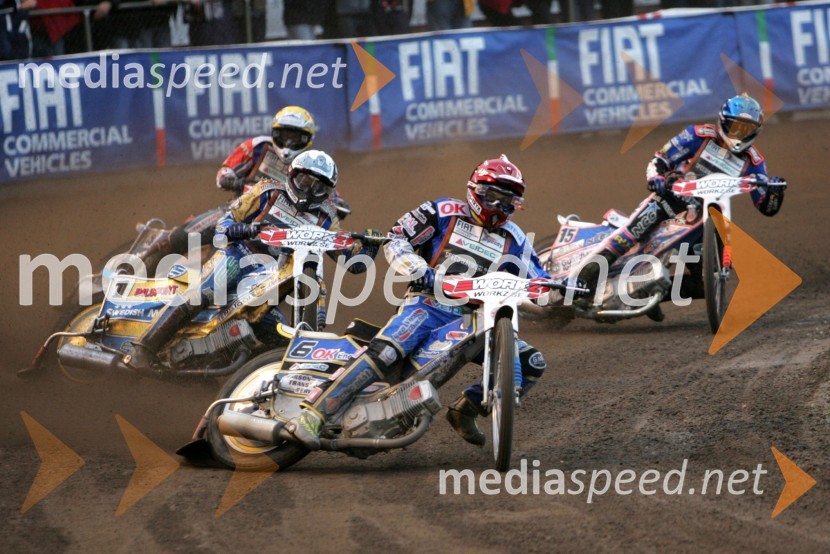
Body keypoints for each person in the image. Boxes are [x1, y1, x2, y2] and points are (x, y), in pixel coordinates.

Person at [286, 154, 551, 450]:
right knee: (385, 352)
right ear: (475, 191)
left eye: (507, 202)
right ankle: (314, 413)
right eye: (492, 197)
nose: (498, 208)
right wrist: (418, 270)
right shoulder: (443, 210)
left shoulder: (515, 236)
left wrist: (563, 287)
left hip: (479, 315)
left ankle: (466, 408)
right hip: (429, 303)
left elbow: (542, 277)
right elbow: (397, 237)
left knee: (532, 363)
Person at [125, 150, 379, 370]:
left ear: (327, 192)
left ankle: (243, 374)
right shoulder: (266, 191)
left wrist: (370, 246)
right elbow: (225, 222)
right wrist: (242, 230)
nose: (310, 190)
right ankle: (143, 349)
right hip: (240, 255)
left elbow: (354, 263)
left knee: (278, 334)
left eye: (319, 187)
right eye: (305, 180)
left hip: (272, 275)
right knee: (205, 291)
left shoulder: (327, 219)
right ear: (292, 175)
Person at [577, 93, 787, 310]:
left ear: (755, 131)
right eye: (735, 127)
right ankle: (581, 277)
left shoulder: (754, 161)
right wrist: (656, 177)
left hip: (706, 220)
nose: (739, 134)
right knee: (632, 233)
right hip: (671, 200)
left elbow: (765, 206)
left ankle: (646, 291)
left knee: (705, 284)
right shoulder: (697, 135)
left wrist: (775, 193)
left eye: (746, 129)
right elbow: (661, 158)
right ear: (724, 122)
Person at [216, 105, 352, 219]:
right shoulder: (258, 145)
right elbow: (225, 171)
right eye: (284, 135)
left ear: (307, 139)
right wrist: (230, 180)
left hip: (282, 220)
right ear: (274, 133)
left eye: (295, 137)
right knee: (200, 227)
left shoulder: (311, 162)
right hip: (241, 207)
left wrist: (338, 203)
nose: (288, 142)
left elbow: (325, 187)